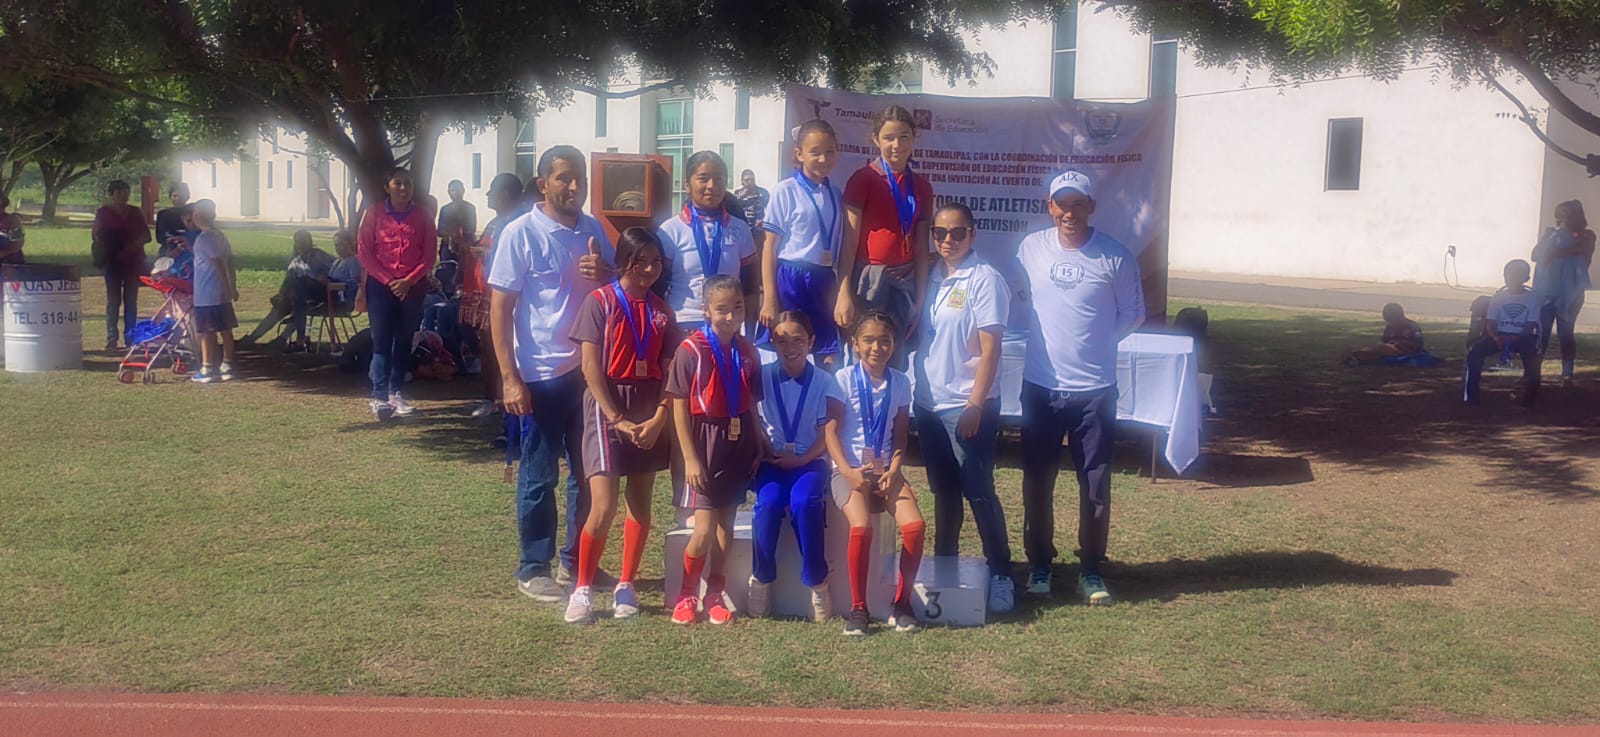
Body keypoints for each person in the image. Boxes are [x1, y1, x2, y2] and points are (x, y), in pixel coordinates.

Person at [488, 145, 614, 604]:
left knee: (588, 473)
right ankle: (533, 567)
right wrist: (509, 378)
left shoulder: (593, 230)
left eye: (579, 177)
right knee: (540, 475)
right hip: (541, 373)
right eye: (564, 178)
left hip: (589, 373)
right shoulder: (520, 232)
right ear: (543, 184)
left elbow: (615, 287)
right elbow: (500, 310)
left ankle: (578, 561)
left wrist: (606, 271)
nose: (574, 186)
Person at [1017, 170, 1145, 605]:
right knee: (1037, 480)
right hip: (1041, 387)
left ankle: (1090, 569)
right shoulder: (1030, 248)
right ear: (1049, 206)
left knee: (1094, 484)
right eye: (1061, 204)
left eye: (1077, 204)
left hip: (1095, 391)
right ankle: (1040, 564)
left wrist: (1096, 347)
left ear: (1092, 206)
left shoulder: (1116, 257)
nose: (1069, 213)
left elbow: (1132, 314)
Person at [565, 227, 680, 623]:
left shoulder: (663, 311)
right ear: (623, 261)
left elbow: (671, 373)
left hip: (649, 405)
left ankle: (626, 583)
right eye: (640, 261)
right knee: (603, 506)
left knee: (641, 502)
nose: (648, 269)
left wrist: (659, 417)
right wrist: (616, 417)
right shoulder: (599, 301)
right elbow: (590, 368)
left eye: (655, 261)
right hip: (607, 404)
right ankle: (582, 588)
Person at [912, 202, 1015, 614]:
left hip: (967, 405)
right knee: (944, 492)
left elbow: (991, 350)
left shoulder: (985, 279)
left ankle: (1002, 572)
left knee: (978, 490)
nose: (948, 240)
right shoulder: (933, 275)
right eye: (940, 233)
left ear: (973, 234)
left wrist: (975, 404)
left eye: (957, 233)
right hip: (929, 403)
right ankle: (946, 566)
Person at [665, 275, 763, 626]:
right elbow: (678, 407)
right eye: (721, 309)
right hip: (703, 441)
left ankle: (715, 593)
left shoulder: (748, 351)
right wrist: (690, 458)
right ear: (706, 310)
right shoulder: (691, 350)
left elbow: (752, 404)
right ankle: (686, 593)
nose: (730, 316)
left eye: (737, 307)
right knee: (704, 528)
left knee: (726, 525)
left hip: (738, 440)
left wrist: (758, 443)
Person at [825, 311, 926, 636]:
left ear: (894, 345)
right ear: (855, 344)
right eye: (868, 340)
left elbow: (900, 435)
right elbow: (830, 432)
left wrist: (895, 469)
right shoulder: (842, 379)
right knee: (861, 526)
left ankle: (903, 604)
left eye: (884, 341)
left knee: (915, 526)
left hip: (885, 471)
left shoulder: (901, 382)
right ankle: (859, 609)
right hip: (850, 470)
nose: (877, 348)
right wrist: (847, 471)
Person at [748, 310, 843, 623]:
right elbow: (752, 417)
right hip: (772, 460)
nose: (790, 348)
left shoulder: (826, 382)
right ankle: (761, 579)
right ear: (771, 343)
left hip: (809, 461)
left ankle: (817, 582)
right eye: (782, 340)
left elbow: (828, 431)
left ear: (811, 342)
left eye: (798, 340)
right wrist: (765, 446)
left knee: (804, 502)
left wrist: (802, 459)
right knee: (768, 503)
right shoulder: (760, 376)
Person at [835, 105, 934, 369]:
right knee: (866, 356)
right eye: (889, 138)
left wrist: (920, 296)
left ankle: (894, 398)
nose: (896, 145)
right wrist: (843, 292)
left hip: (904, 282)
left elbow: (921, 247)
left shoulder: (922, 186)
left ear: (914, 139)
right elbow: (849, 241)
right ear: (876, 139)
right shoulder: (862, 180)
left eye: (904, 137)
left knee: (896, 358)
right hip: (869, 282)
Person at [757, 119, 845, 369]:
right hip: (791, 278)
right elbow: (769, 247)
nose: (823, 159)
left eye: (829, 152)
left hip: (824, 279)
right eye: (815, 152)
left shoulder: (836, 194)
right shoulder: (785, 190)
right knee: (791, 351)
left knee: (829, 358)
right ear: (799, 154)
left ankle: (825, 396)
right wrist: (770, 297)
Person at [357, 168, 438, 421]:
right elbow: (364, 252)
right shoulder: (374, 213)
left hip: (412, 286)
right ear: (387, 187)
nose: (403, 188)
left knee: (404, 340)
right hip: (381, 286)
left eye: (408, 184)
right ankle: (379, 397)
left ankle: (395, 392)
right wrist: (389, 281)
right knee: (381, 341)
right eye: (398, 183)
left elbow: (429, 255)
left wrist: (408, 281)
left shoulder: (423, 215)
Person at [656, 150, 759, 334]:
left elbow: (750, 288)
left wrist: (749, 336)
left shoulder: (740, 229)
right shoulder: (670, 230)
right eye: (703, 179)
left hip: (728, 327)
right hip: (683, 325)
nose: (712, 186)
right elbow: (657, 287)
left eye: (718, 179)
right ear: (687, 185)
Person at [462, 173, 524, 420]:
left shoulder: (517, 224)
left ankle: (503, 398)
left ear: (505, 195)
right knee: (488, 348)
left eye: (492, 190)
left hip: (506, 298)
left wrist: (483, 253)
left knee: (504, 348)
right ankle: (490, 397)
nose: (488, 195)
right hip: (486, 295)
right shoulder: (496, 222)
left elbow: (505, 260)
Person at [1531, 200, 1594, 385]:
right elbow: (1535, 255)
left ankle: (1567, 373)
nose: (1561, 218)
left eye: (1566, 215)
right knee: (1541, 332)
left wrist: (1553, 252)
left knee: (1565, 333)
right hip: (1547, 291)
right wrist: (1546, 238)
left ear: (1576, 216)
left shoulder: (1586, 235)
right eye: (1559, 214)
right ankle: (1533, 372)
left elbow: (1582, 250)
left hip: (1571, 292)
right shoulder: (1551, 234)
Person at [1465, 260, 1542, 407]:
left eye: (1516, 276)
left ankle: (1530, 398)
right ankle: (1472, 396)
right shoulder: (1498, 297)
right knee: (1475, 352)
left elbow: (1531, 324)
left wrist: (1515, 338)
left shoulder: (1533, 299)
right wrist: (1495, 337)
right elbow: (1490, 321)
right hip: (1499, 335)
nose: (1511, 280)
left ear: (1525, 278)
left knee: (1531, 356)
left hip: (1523, 337)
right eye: (1508, 276)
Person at [92, 180, 153, 352]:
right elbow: (97, 235)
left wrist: (134, 245)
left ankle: (130, 337)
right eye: (118, 192)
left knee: (131, 300)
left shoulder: (135, 212)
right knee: (113, 300)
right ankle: (112, 338)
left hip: (133, 261)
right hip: (112, 261)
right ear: (111, 194)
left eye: (126, 192)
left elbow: (146, 235)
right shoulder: (103, 212)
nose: (123, 196)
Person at [188, 199, 239, 383]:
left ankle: (207, 368)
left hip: (208, 294)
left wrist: (226, 287)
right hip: (219, 294)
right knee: (226, 330)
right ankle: (227, 365)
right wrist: (232, 286)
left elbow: (217, 263)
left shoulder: (205, 239)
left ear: (197, 215)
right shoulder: (220, 237)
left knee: (207, 332)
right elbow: (229, 262)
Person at [1341, 303, 1426, 366]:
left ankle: (1355, 354)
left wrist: (1400, 343)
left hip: (1406, 351)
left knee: (1380, 348)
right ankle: (1356, 358)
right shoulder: (1390, 327)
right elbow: (1385, 340)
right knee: (1377, 352)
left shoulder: (1411, 326)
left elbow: (1418, 345)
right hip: (1390, 349)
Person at [437, 180, 478, 262]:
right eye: (452, 190)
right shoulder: (445, 209)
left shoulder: (470, 208)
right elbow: (440, 230)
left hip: (465, 246)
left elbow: (472, 228)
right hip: (448, 247)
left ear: (463, 191)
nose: (455, 193)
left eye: (458, 190)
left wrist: (460, 238)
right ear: (448, 192)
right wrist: (450, 235)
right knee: (448, 267)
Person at [327, 230, 363, 312]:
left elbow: (355, 283)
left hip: (341, 297)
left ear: (351, 244)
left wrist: (332, 285)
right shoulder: (336, 262)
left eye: (341, 245)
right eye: (336, 245)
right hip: (329, 293)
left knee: (305, 284)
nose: (338, 248)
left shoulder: (354, 261)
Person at [155, 183, 191, 258]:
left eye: (181, 196)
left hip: (189, 246)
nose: (178, 198)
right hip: (168, 247)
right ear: (170, 197)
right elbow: (160, 237)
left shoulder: (193, 212)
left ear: (187, 197)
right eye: (175, 196)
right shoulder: (163, 214)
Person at [0, 193, 24, 265]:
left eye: (2, 206)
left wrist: (3, 254)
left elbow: (18, 243)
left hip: (10, 261)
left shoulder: (13, 220)